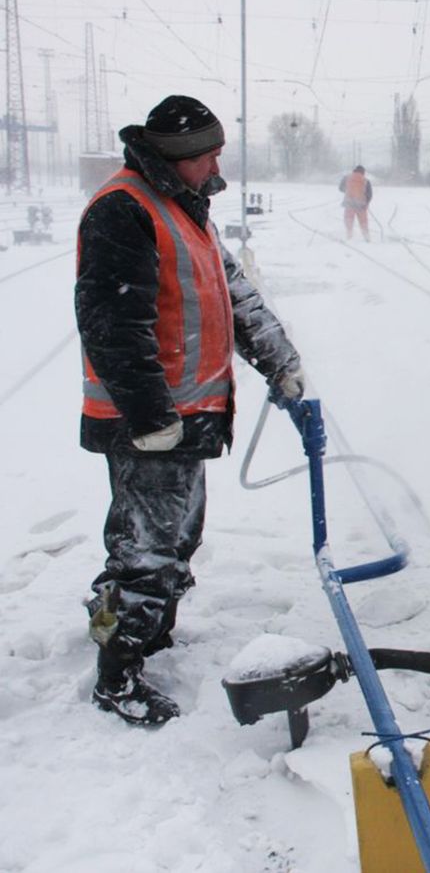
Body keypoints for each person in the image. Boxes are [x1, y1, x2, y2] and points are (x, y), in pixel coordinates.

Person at [75, 95, 305, 726]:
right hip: (151, 422)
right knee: (148, 555)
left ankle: (129, 627)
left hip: (186, 418)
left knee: (172, 542)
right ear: (180, 157)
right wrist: (150, 418)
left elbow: (235, 296)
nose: (217, 166)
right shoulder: (124, 209)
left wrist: (280, 361)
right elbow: (112, 325)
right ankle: (117, 675)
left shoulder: (183, 208)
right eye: (209, 156)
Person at [339, 164, 373, 240]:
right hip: (361, 204)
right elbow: (369, 194)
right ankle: (366, 237)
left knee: (348, 220)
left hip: (349, 203)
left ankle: (349, 235)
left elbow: (341, 188)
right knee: (363, 222)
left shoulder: (347, 178)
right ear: (363, 172)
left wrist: (348, 191)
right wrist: (367, 202)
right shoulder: (365, 180)